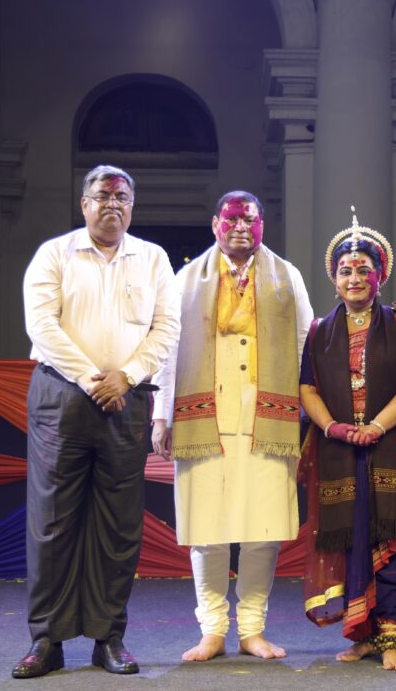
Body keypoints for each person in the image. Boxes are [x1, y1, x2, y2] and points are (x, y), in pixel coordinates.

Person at [15, 165, 181, 679]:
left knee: (118, 525)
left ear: (133, 206)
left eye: (122, 196)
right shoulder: (55, 254)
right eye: (103, 195)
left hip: (126, 401)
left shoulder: (152, 258)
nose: (113, 204)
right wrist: (94, 380)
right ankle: (46, 640)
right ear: (83, 203)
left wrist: (125, 377)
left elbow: (167, 328)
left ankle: (109, 637)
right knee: (52, 522)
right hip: (61, 398)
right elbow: (41, 326)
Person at [151, 191, 312, 662]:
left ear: (263, 225)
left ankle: (253, 629)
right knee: (207, 529)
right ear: (215, 224)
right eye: (232, 219)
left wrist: (308, 409)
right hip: (205, 418)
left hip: (268, 418)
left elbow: (306, 341)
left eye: (250, 219)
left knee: (263, 529)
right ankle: (213, 630)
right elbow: (167, 350)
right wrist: (161, 415)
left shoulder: (287, 276)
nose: (241, 227)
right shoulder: (186, 279)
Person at [299, 214, 396, 671]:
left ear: (380, 275)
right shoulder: (319, 331)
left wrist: (376, 426)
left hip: (392, 448)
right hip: (340, 451)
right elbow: (307, 389)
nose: (354, 278)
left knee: (392, 539)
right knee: (350, 541)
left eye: (364, 269)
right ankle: (362, 635)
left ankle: (391, 634)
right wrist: (332, 428)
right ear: (334, 278)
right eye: (345, 270)